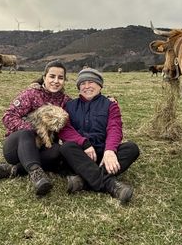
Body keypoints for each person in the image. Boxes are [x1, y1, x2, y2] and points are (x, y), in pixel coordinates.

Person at [0, 60, 70, 196]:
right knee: (26, 133)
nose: (56, 81)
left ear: (64, 80)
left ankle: (13, 170)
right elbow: (8, 116)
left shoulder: (65, 101)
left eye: (60, 78)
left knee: (57, 151)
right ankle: (37, 175)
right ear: (44, 77)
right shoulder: (31, 94)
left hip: (43, 148)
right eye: (52, 76)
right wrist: (34, 129)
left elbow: (75, 116)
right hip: (18, 147)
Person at [58, 68, 140, 204]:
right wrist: (84, 143)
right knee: (66, 147)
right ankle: (110, 185)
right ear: (79, 87)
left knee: (131, 148)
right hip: (81, 155)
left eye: (91, 82)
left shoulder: (110, 105)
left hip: (103, 155)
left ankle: (83, 180)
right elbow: (65, 129)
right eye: (82, 83)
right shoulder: (69, 106)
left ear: (99, 85)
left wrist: (110, 150)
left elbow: (115, 128)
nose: (86, 86)